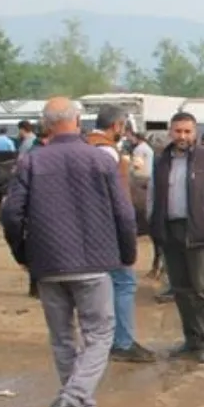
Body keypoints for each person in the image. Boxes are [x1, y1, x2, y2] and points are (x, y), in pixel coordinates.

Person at [0, 97, 137, 407]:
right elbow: (123, 212)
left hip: (48, 264)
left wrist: (23, 254)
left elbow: (11, 214)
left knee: (62, 338)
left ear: (46, 125)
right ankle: (74, 397)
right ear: (77, 120)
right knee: (100, 334)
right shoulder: (100, 159)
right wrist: (127, 252)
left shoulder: (31, 163)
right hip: (93, 262)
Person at [147, 112, 204, 365]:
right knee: (181, 290)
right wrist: (155, 220)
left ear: (194, 133)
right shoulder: (162, 160)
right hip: (170, 232)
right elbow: (153, 193)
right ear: (170, 132)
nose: (182, 136)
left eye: (187, 131)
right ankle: (191, 340)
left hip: (199, 233)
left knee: (202, 290)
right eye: (178, 131)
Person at [87, 105, 156, 363]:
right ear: (116, 126)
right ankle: (122, 342)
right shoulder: (108, 153)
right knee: (124, 283)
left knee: (98, 287)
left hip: (88, 231)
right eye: (124, 127)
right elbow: (117, 199)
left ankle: (105, 340)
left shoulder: (86, 146)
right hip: (108, 231)